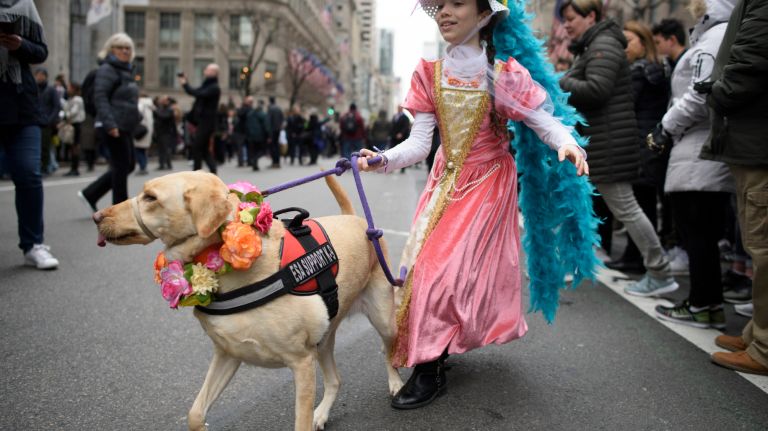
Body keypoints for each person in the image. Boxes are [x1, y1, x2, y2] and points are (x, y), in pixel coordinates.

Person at [358, 0, 591, 409]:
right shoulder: (429, 73)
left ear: (485, 15)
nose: (445, 12)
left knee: (443, 273)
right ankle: (435, 350)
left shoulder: (504, 75)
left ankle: (428, 367)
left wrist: (567, 143)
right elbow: (418, 145)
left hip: (487, 185)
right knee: (427, 268)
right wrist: (383, 158)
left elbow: (541, 121)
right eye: (440, 6)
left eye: (457, 3)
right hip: (445, 182)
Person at [558, 0, 677, 295]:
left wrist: (559, 81)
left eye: (572, 18)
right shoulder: (597, 43)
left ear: (592, 16)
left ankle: (660, 271)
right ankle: (574, 261)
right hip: (601, 142)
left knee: (626, 208)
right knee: (578, 204)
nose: (567, 25)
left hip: (609, 144)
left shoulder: (604, 44)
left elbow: (597, 90)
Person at [647, 0, 737, 327]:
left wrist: (664, 127)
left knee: (697, 230)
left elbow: (699, 95)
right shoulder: (712, 35)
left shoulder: (714, 37)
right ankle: (705, 303)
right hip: (696, 146)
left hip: (697, 148)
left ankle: (702, 303)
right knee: (699, 231)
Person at [697, 0, 768, 376]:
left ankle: (765, 347)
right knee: (759, 245)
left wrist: (719, 92)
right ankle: (757, 334)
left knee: (764, 247)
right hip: (752, 140)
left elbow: (754, 54)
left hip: (758, 139)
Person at [605, 21, 671, 273]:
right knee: (641, 203)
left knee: (639, 205)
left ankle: (640, 261)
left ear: (644, 44)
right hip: (647, 143)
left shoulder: (641, 71)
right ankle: (636, 258)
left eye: (628, 42)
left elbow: (623, 104)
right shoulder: (653, 69)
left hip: (644, 144)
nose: (623, 48)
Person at [0, 0, 59, 269]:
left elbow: (41, 51)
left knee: (28, 173)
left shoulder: (23, 5)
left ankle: (33, 244)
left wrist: (19, 45)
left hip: (21, 105)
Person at [78, 33, 140, 212]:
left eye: (128, 48)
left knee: (128, 165)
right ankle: (120, 209)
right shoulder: (108, 69)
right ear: (111, 49)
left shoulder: (126, 70)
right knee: (121, 166)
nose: (125, 51)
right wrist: (110, 123)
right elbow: (100, 98)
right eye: (120, 47)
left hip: (124, 124)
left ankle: (91, 194)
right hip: (113, 124)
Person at [179, 63, 220, 174]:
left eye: (207, 69)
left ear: (214, 72)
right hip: (204, 122)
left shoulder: (214, 88)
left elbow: (197, 93)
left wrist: (185, 84)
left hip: (207, 122)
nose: (205, 70)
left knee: (197, 147)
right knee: (204, 148)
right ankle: (212, 171)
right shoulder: (207, 85)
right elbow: (196, 92)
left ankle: (197, 174)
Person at [34, 67, 59, 175]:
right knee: (36, 147)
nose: (39, 77)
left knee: (45, 146)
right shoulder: (34, 89)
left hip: (46, 123)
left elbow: (56, 106)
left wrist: (50, 120)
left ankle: (45, 167)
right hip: (35, 121)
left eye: (41, 75)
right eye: (37, 75)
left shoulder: (51, 90)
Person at [62, 82, 86, 176]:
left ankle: (75, 168)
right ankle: (73, 167)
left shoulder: (77, 99)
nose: (67, 89)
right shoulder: (71, 99)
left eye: (69, 87)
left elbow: (73, 112)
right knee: (72, 146)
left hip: (76, 124)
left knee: (75, 146)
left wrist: (66, 115)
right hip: (72, 124)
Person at [245, 99, 270, 171]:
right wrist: (268, 135)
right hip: (260, 136)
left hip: (251, 135)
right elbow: (266, 125)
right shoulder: (262, 114)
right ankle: (255, 160)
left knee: (254, 150)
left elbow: (247, 125)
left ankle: (255, 164)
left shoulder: (250, 114)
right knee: (262, 150)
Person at [153, 95, 176, 170]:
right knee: (160, 149)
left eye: (164, 100)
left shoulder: (169, 109)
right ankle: (161, 164)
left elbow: (164, 116)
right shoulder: (161, 108)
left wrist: (155, 111)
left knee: (166, 149)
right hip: (160, 131)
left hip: (166, 132)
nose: (162, 101)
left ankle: (168, 164)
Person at [134, 93, 154, 175]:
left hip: (140, 130)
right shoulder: (150, 105)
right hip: (147, 131)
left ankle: (142, 167)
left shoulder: (140, 104)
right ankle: (144, 166)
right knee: (143, 150)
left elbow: (136, 115)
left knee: (138, 150)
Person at [233, 96, 253, 167]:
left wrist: (238, 108)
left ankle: (241, 162)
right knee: (248, 147)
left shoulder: (244, 108)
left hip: (241, 130)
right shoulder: (251, 109)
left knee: (240, 147)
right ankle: (249, 161)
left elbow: (239, 114)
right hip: (247, 130)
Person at [267, 96, 284, 168]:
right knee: (276, 146)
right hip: (278, 130)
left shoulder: (270, 108)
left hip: (272, 130)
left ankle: (274, 162)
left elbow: (268, 121)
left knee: (273, 146)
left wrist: (268, 133)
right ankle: (277, 162)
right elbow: (282, 118)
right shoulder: (278, 108)